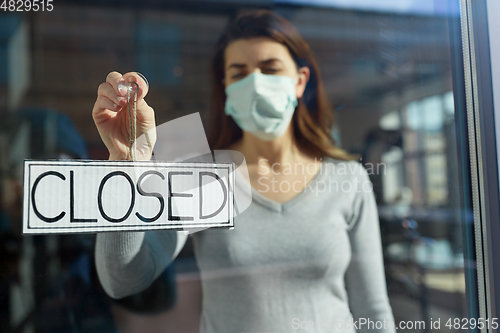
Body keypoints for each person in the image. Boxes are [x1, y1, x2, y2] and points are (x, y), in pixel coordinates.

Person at [93, 9, 395, 333]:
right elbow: (123, 279)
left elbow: (373, 310)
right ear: (226, 89)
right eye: (239, 74)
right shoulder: (205, 178)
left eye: (270, 68)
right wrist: (125, 165)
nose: (256, 83)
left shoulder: (347, 178)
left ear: (300, 81)